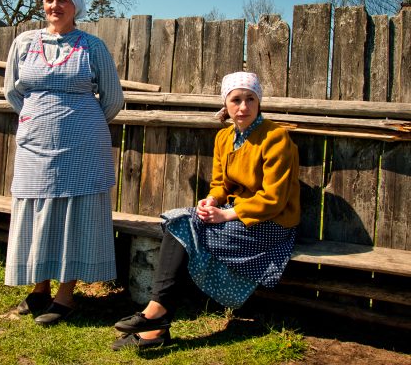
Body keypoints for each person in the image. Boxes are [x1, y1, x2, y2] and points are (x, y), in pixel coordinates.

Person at [112, 71, 300, 350]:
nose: (244, 107)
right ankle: (156, 321)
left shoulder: (276, 138)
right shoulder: (224, 138)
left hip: (272, 223)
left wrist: (225, 214)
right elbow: (219, 184)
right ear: (226, 104)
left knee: (183, 229)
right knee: (180, 219)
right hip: (237, 214)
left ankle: (155, 319)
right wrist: (212, 200)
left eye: (250, 99)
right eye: (236, 99)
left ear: (259, 102)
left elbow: (274, 199)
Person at [3, 0, 124, 326]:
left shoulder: (93, 46)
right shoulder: (24, 43)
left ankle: (65, 297)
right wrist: (36, 118)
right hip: (34, 146)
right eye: (49, 0)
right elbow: (12, 91)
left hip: (83, 148)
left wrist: (79, 124)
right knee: (36, 211)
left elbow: (113, 99)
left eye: (63, 0)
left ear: (76, 6)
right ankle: (40, 288)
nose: (55, 6)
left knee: (75, 214)